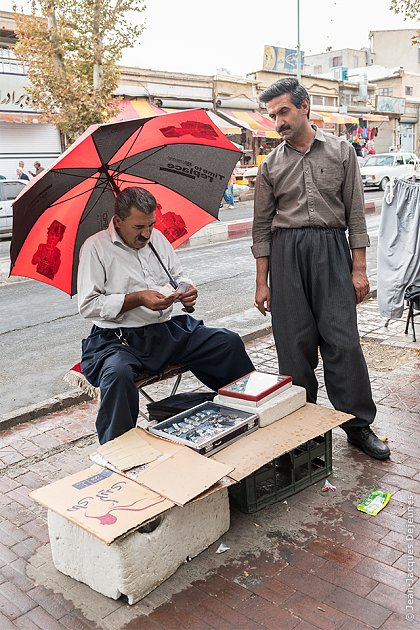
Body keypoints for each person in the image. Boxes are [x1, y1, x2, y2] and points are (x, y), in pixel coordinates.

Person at [252, 77, 390, 461]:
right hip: (286, 254)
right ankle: (304, 429)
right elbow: (261, 227)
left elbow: (356, 216)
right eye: (272, 115)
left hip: (331, 251)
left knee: (342, 341)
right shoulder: (269, 166)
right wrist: (261, 282)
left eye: (283, 112)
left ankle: (357, 425)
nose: (277, 121)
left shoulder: (342, 152)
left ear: (305, 106)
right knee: (293, 347)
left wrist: (359, 270)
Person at [78, 186, 255, 444]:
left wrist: (185, 289)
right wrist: (138, 298)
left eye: (150, 225)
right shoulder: (95, 248)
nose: (146, 234)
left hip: (165, 330)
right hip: (119, 340)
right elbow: (88, 305)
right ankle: (117, 449)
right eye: (139, 227)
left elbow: (178, 276)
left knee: (226, 342)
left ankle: (247, 409)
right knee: (116, 376)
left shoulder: (157, 239)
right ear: (118, 221)